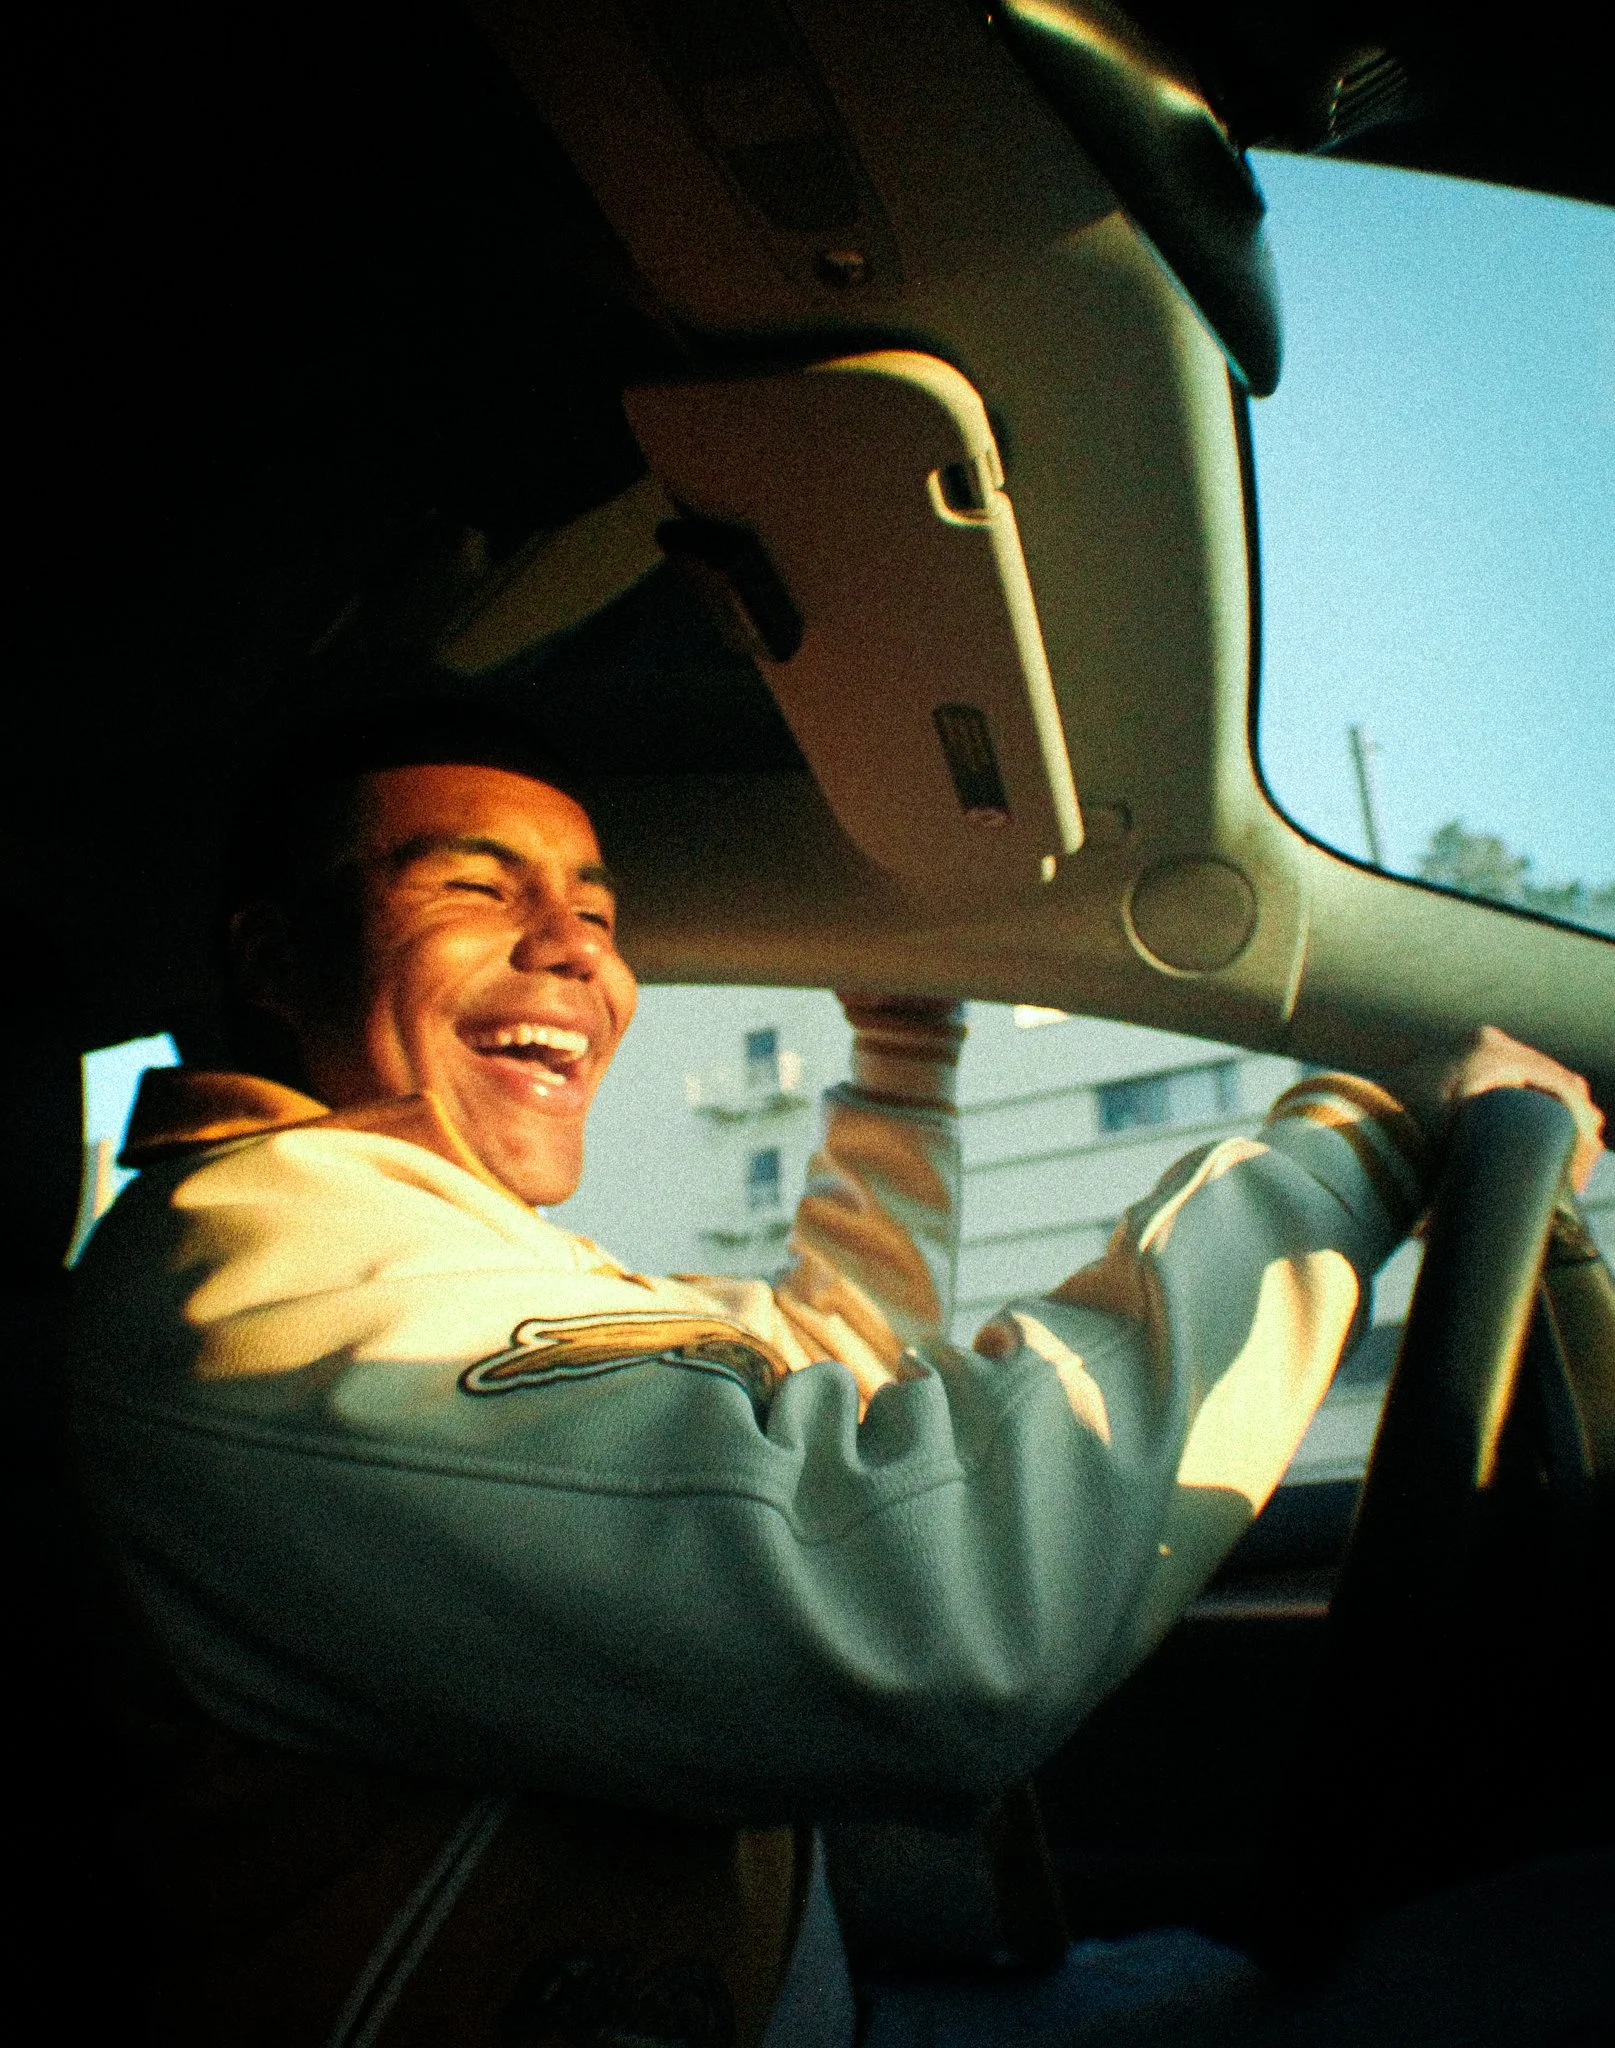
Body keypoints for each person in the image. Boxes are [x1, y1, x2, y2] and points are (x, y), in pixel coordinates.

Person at [68, 708, 1603, 2048]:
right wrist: (1351, 1156)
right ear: (275, 958)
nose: (577, 947)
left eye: (597, 907)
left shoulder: (421, 1239)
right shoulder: (255, 1278)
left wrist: (901, 1074)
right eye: (475, 886)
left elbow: (813, 1394)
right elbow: (918, 1609)